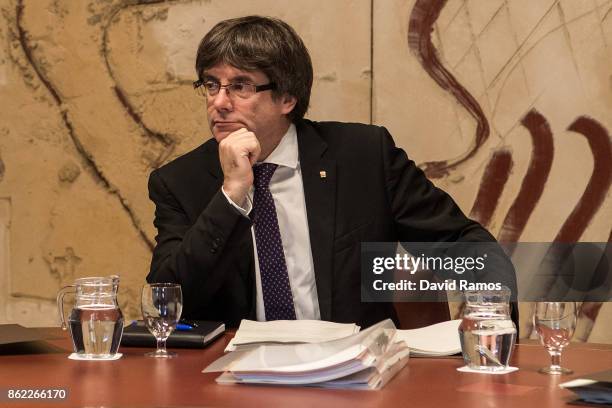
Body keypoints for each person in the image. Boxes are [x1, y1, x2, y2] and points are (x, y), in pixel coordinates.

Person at [146, 15, 517, 328]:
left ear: (287, 99)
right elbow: (169, 303)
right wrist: (232, 196)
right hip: (234, 377)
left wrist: (490, 306)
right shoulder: (180, 182)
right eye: (211, 85)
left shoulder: (363, 157)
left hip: (352, 372)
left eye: (240, 86)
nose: (219, 103)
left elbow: (463, 245)